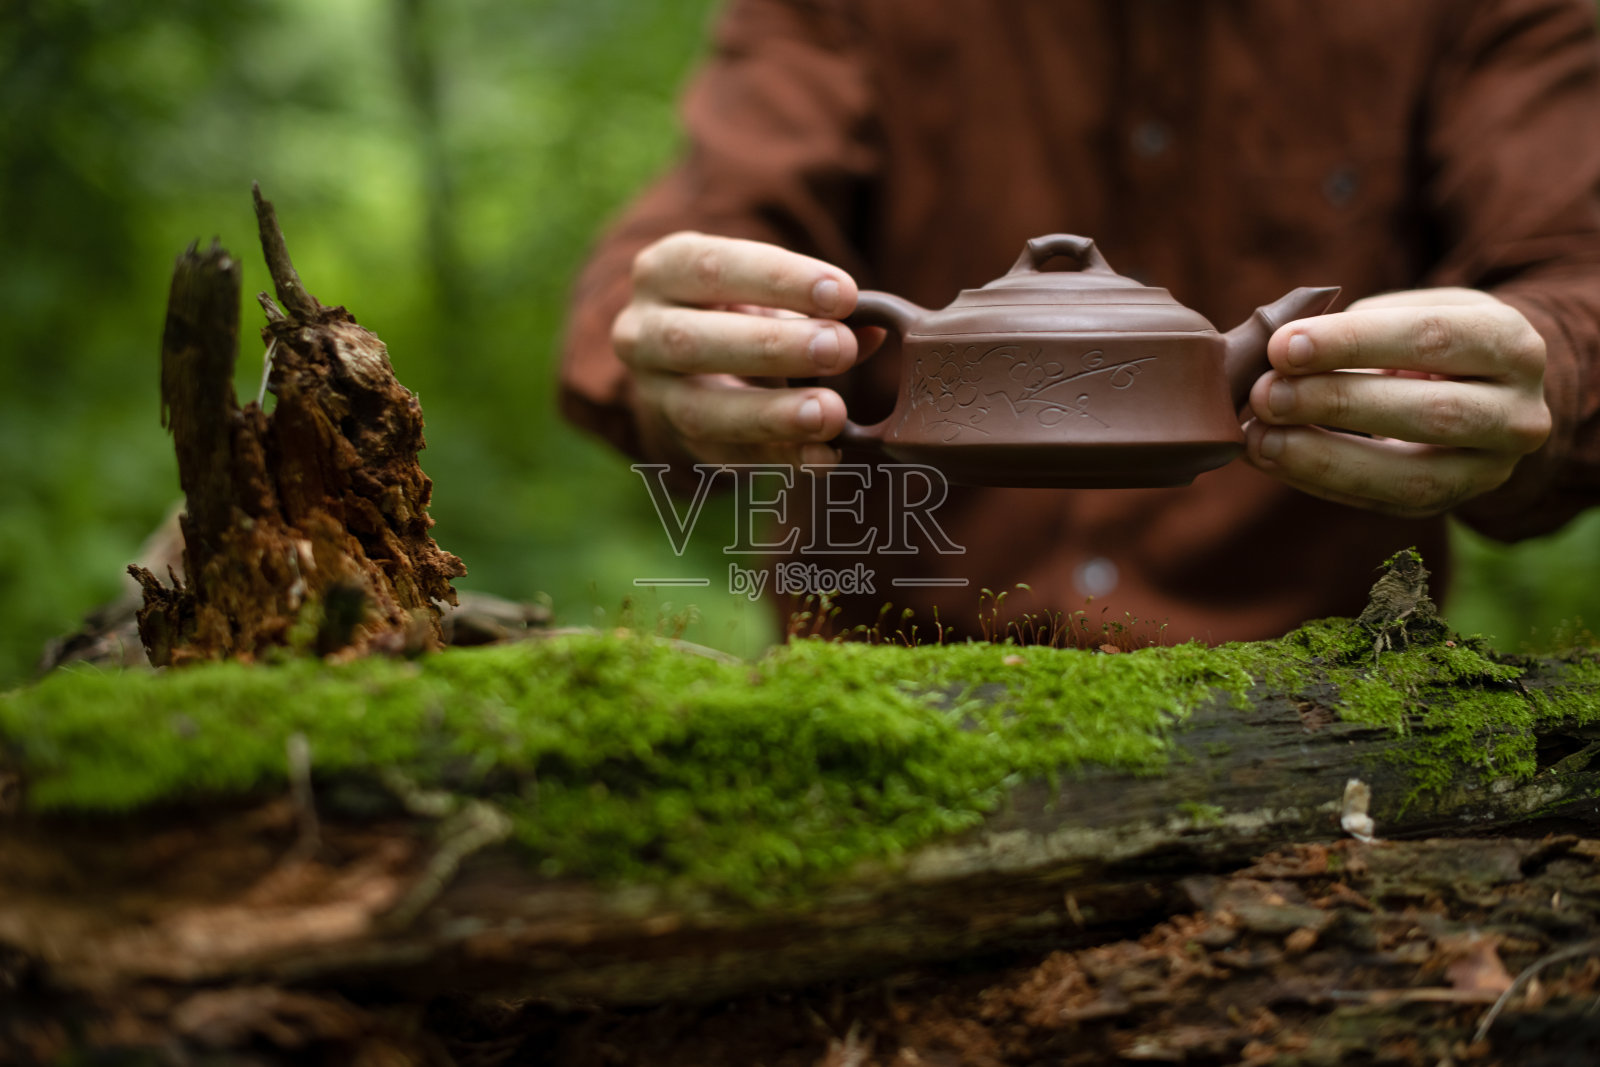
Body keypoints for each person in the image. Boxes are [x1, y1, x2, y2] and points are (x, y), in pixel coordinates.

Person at [560, 0, 1600, 643]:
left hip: (1311, 719)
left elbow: (1575, 271)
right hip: (883, 711)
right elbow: (705, 224)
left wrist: (1533, 363)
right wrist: (699, 343)